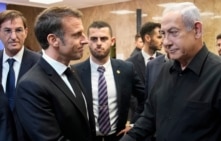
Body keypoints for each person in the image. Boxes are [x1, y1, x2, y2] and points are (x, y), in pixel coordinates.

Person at [120, 2, 221, 141]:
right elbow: (148, 118)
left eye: (173, 32)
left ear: (197, 30)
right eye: (163, 34)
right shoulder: (165, 70)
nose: (166, 42)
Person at [15, 6, 95, 141]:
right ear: (53, 40)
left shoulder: (72, 71)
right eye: (76, 35)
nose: (85, 40)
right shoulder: (31, 86)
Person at [73, 21, 145, 141]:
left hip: (119, 137)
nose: (99, 43)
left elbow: (146, 98)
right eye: (94, 39)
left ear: (112, 41)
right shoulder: (75, 72)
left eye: (104, 38)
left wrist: (134, 124)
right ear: (88, 41)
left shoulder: (127, 69)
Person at [0, 9, 41, 140]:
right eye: (7, 30)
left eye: (18, 30)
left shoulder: (40, 64)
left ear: (26, 32)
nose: (13, 36)